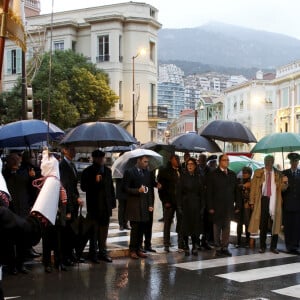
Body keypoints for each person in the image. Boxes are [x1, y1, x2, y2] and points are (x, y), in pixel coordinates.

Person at [80, 150, 116, 263]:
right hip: (94, 207)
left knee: (103, 232)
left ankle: (103, 252)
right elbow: (83, 187)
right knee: (93, 233)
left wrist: (113, 203)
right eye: (99, 158)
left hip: (105, 207)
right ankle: (93, 254)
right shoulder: (88, 171)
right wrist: (94, 181)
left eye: (102, 158)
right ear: (94, 158)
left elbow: (111, 188)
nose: (101, 160)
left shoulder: (107, 171)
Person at [248, 155, 286, 254]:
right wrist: (251, 201)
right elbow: (253, 188)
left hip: (275, 201)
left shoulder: (278, 174)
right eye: (266, 161)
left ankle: (274, 247)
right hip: (263, 200)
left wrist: (285, 183)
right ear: (264, 162)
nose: (268, 163)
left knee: (275, 224)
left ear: (273, 162)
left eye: (270, 161)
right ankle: (262, 246)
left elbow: (283, 189)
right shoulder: (258, 172)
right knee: (263, 224)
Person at [207, 154, 241, 257]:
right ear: (220, 162)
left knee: (227, 227)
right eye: (224, 160)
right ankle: (217, 247)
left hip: (229, 206)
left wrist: (238, 205)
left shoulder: (232, 174)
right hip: (217, 206)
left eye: (228, 160)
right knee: (217, 228)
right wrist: (210, 207)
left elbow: (236, 191)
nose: (227, 162)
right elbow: (209, 192)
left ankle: (225, 247)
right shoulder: (213, 174)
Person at [123, 155, 154, 259]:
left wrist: (150, 204)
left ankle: (139, 249)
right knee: (135, 229)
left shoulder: (147, 173)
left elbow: (148, 189)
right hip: (134, 205)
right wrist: (137, 191)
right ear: (139, 161)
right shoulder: (130, 172)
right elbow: (125, 188)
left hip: (144, 205)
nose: (147, 164)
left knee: (142, 228)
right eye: (145, 162)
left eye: (147, 162)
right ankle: (132, 250)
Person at [59, 145, 84, 265]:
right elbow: (65, 188)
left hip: (74, 203)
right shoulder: (62, 166)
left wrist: (78, 197)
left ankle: (71, 254)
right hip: (67, 204)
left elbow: (73, 187)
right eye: (70, 149)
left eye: (74, 149)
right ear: (64, 151)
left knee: (73, 231)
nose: (73, 151)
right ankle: (65, 257)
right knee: (67, 232)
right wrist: (67, 210)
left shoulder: (72, 165)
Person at [177, 157, 204, 256]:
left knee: (195, 227)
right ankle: (186, 246)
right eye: (188, 164)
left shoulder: (199, 177)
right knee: (185, 227)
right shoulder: (183, 177)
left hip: (196, 204)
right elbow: (178, 192)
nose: (190, 166)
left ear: (195, 166)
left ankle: (194, 246)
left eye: (192, 164)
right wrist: (179, 206)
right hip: (186, 204)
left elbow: (202, 193)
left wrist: (202, 206)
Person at [157, 154, 183, 252]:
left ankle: (181, 243)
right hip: (169, 201)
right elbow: (161, 189)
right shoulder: (164, 171)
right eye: (175, 159)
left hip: (180, 202)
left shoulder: (181, 170)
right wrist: (165, 201)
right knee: (167, 223)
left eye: (178, 159)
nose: (177, 161)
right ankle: (166, 243)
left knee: (181, 223)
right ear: (171, 160)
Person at [282, 153, 300, 254]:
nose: (294, 163)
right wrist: (285, 184)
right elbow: (281, 190)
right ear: (290, 162)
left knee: (297, 226)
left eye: (296, 161)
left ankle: (296, 246)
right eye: (293, 161)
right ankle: (288, 246)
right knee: (288, 226)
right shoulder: (284, 173)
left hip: (298, 205)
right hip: (287, 204)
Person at [235, 166, 252, 248]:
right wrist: (243, 186)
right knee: (239, 223)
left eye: (246, 173)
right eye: (243, 172)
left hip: (247, 206)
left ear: (250, 174)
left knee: (247, 224)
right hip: (239, 205)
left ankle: (247, 242)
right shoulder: (239, 181)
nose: (244, 174)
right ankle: (238, 241)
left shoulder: (252, 182)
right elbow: (236, 189)